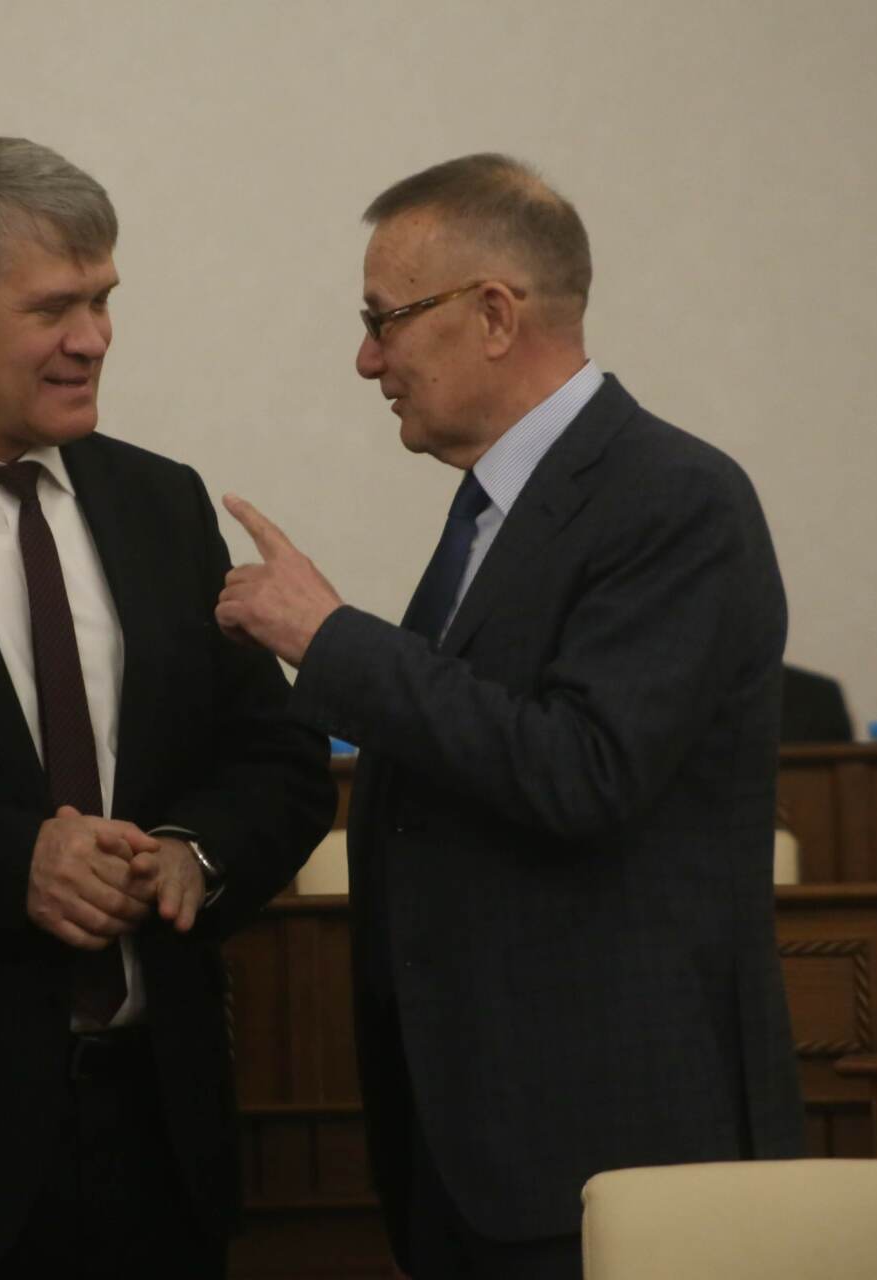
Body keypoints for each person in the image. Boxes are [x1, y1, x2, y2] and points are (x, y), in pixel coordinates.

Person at [216, 153, 804, 1279]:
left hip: (610, 1152)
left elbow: (583, 771)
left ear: (493, 314)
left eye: (383, 320)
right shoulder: (496, 509)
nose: (367, 359)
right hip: (478, 1147)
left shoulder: (676, 497)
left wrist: (331, 638)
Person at [0, 137, 335, 1277]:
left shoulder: (160, 502)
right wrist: (10, 867)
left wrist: (194, 852)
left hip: (162, 1139)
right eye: (54, 307)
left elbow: (279, 759)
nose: (93, 338)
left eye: (102, 300)